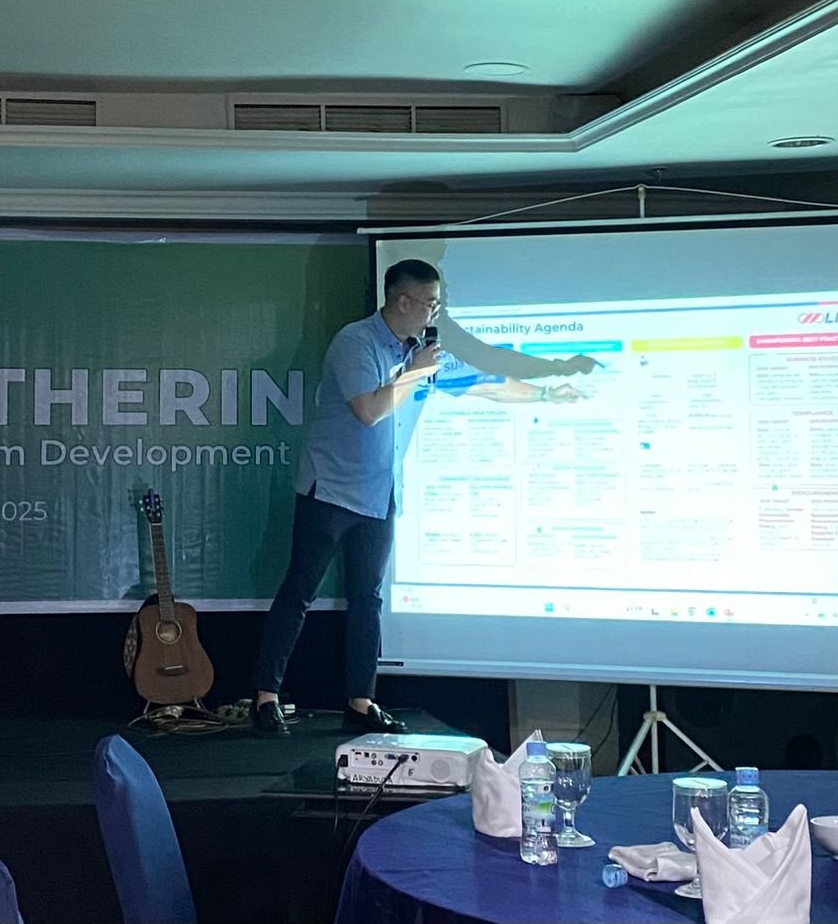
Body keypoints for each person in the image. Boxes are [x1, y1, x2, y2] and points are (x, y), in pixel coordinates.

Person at [251, 259, 596, 737]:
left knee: (368, 598)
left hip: (380, 494)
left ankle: (360, 701)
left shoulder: (424, 352)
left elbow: (482, 385)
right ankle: (266, 696)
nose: (436, 312)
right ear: (403, 301)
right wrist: (414, 372)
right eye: (431, 303)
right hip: (329, 489)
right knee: (300, 591)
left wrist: (545, 395)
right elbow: (369, 410)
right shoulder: (356, 342)